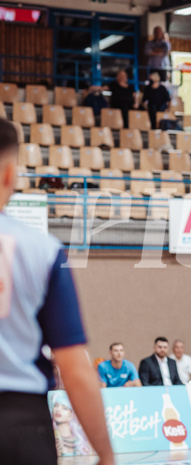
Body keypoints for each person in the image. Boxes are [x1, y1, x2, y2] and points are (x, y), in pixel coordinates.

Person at [0, 118, 113, 465]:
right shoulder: (42, 250)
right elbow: (74, 368)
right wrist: (106, 455)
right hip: (18, 426)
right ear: (9, 174)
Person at [49, 391, 93, 456]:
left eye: (64, 408)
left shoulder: (81, 442)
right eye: (55, 405)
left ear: (71, 415)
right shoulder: (49, 438)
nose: (58, 410)